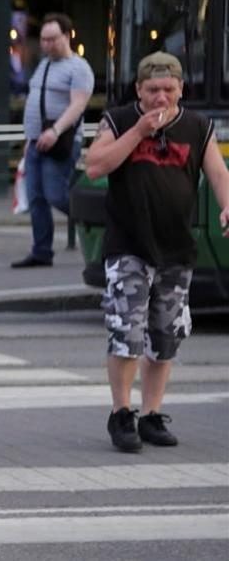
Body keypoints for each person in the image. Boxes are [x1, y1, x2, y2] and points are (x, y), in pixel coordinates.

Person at [84, 52, 229, 453]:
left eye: (169, 89)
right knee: (125, 334)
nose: (161, 97)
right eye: (152, 91)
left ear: (181, 89)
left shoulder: (198, 127)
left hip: (176, 248)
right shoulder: (119, 120)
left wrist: (226, 203)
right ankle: (121, 413)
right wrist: (139, 132)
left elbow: (217, 172)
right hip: (129, 245)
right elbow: (95, 166)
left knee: (166, 336)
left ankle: (151, 414)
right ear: (139, 91)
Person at [12, 12, 94, 268]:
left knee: (55, 194)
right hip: (38, 140)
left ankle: (95, 217)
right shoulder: (45, 64)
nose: (47, 44)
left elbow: (78, 105)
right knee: (36, 197)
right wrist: (30, 138)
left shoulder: (79, 67)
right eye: (44, 39)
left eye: (52, 39)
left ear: (67, 36)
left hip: (60, 140)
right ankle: (41, 251)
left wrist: (55, 131)